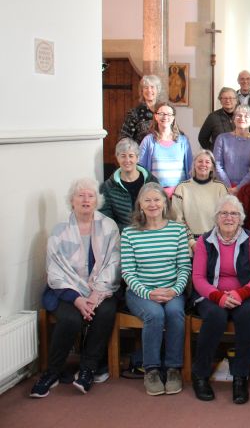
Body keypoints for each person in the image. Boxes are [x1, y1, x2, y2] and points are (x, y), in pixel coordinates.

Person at [30, 179, 121, 398]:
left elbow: (114, 263)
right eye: (80, 195)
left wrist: (95, 295)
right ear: (71, 201)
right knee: (71, 319)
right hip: (66, 291)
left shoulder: (109, 226)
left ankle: (88, 368)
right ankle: (52, 372)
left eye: (90, 195)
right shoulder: (59, 230)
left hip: (101, 290)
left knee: (106, 311)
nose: (86, 200)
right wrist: (78, 299)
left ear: (96, 200)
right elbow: (55, 270)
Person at [190, 195, 250, 404]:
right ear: (216, 217)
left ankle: (240, 377)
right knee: (215, 315)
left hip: (246, 294)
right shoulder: (204, 240)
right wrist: (218, 297)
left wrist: (241, 293)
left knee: (248, 314)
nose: (229, 217)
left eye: (234, 213)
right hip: (211, 294)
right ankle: (201, 374)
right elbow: (197, 277)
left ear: (240, 218)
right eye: (224, 213)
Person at [120, 182, 191, 396]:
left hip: (172, 290)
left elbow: (184, 267)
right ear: (140, 205)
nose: (152, 204)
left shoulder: (177, 230)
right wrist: (148, 293)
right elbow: (128, 272)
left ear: (164, 203)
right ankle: (150, 370)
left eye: (157, 200)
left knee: (175, 313)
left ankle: (172, 369)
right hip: (140, 292)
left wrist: (175, 290)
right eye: (147, 200)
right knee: (154, 314)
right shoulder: (130, 233)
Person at [172, 150, 229, 248]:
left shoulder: (221, 188)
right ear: (194, 164)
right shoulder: (181, 188)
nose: (203, 164)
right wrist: (192, 243)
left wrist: (214, 240)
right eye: (200, 161)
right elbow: (178, 219)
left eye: (207, 162)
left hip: (216, 244)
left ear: (212, 167)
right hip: (188, 246)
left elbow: (226, 216)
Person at [100, 137, 159, 231]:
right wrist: (130, 232)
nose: (127, 160)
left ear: (137, 158)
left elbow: (161, 210)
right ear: (117, 158)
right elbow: (105, 219)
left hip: (151, 232)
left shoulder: (152, 182)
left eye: (131, 156)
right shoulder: (107, 187)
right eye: (123, 156)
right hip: (122, 236)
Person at [137, 102, 193, 197]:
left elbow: (190, 169)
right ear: (155, 116)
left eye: (169, 114)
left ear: (173, 117)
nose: (165, 117)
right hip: (156, 194)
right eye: (161, 113)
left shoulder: (183, 141)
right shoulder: (148, 141)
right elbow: (141, 169)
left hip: (179, 194)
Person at [212, 104, 250, 192]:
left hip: (248, 189)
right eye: (239, 115)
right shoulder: (222, 138)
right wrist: (229, 187)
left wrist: (238, 188)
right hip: (223, 188)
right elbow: (217, 164)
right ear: (234, 119)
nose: (242, 118)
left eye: (246, 116)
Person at [120, 74, 161, 144]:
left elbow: (172, 132)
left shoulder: (164, 111)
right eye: (146, 87)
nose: (149, 90)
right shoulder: (134, 113)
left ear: (158, 90)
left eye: (152, 87)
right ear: (142, 91)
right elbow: (124, 138)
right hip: (140, 153)